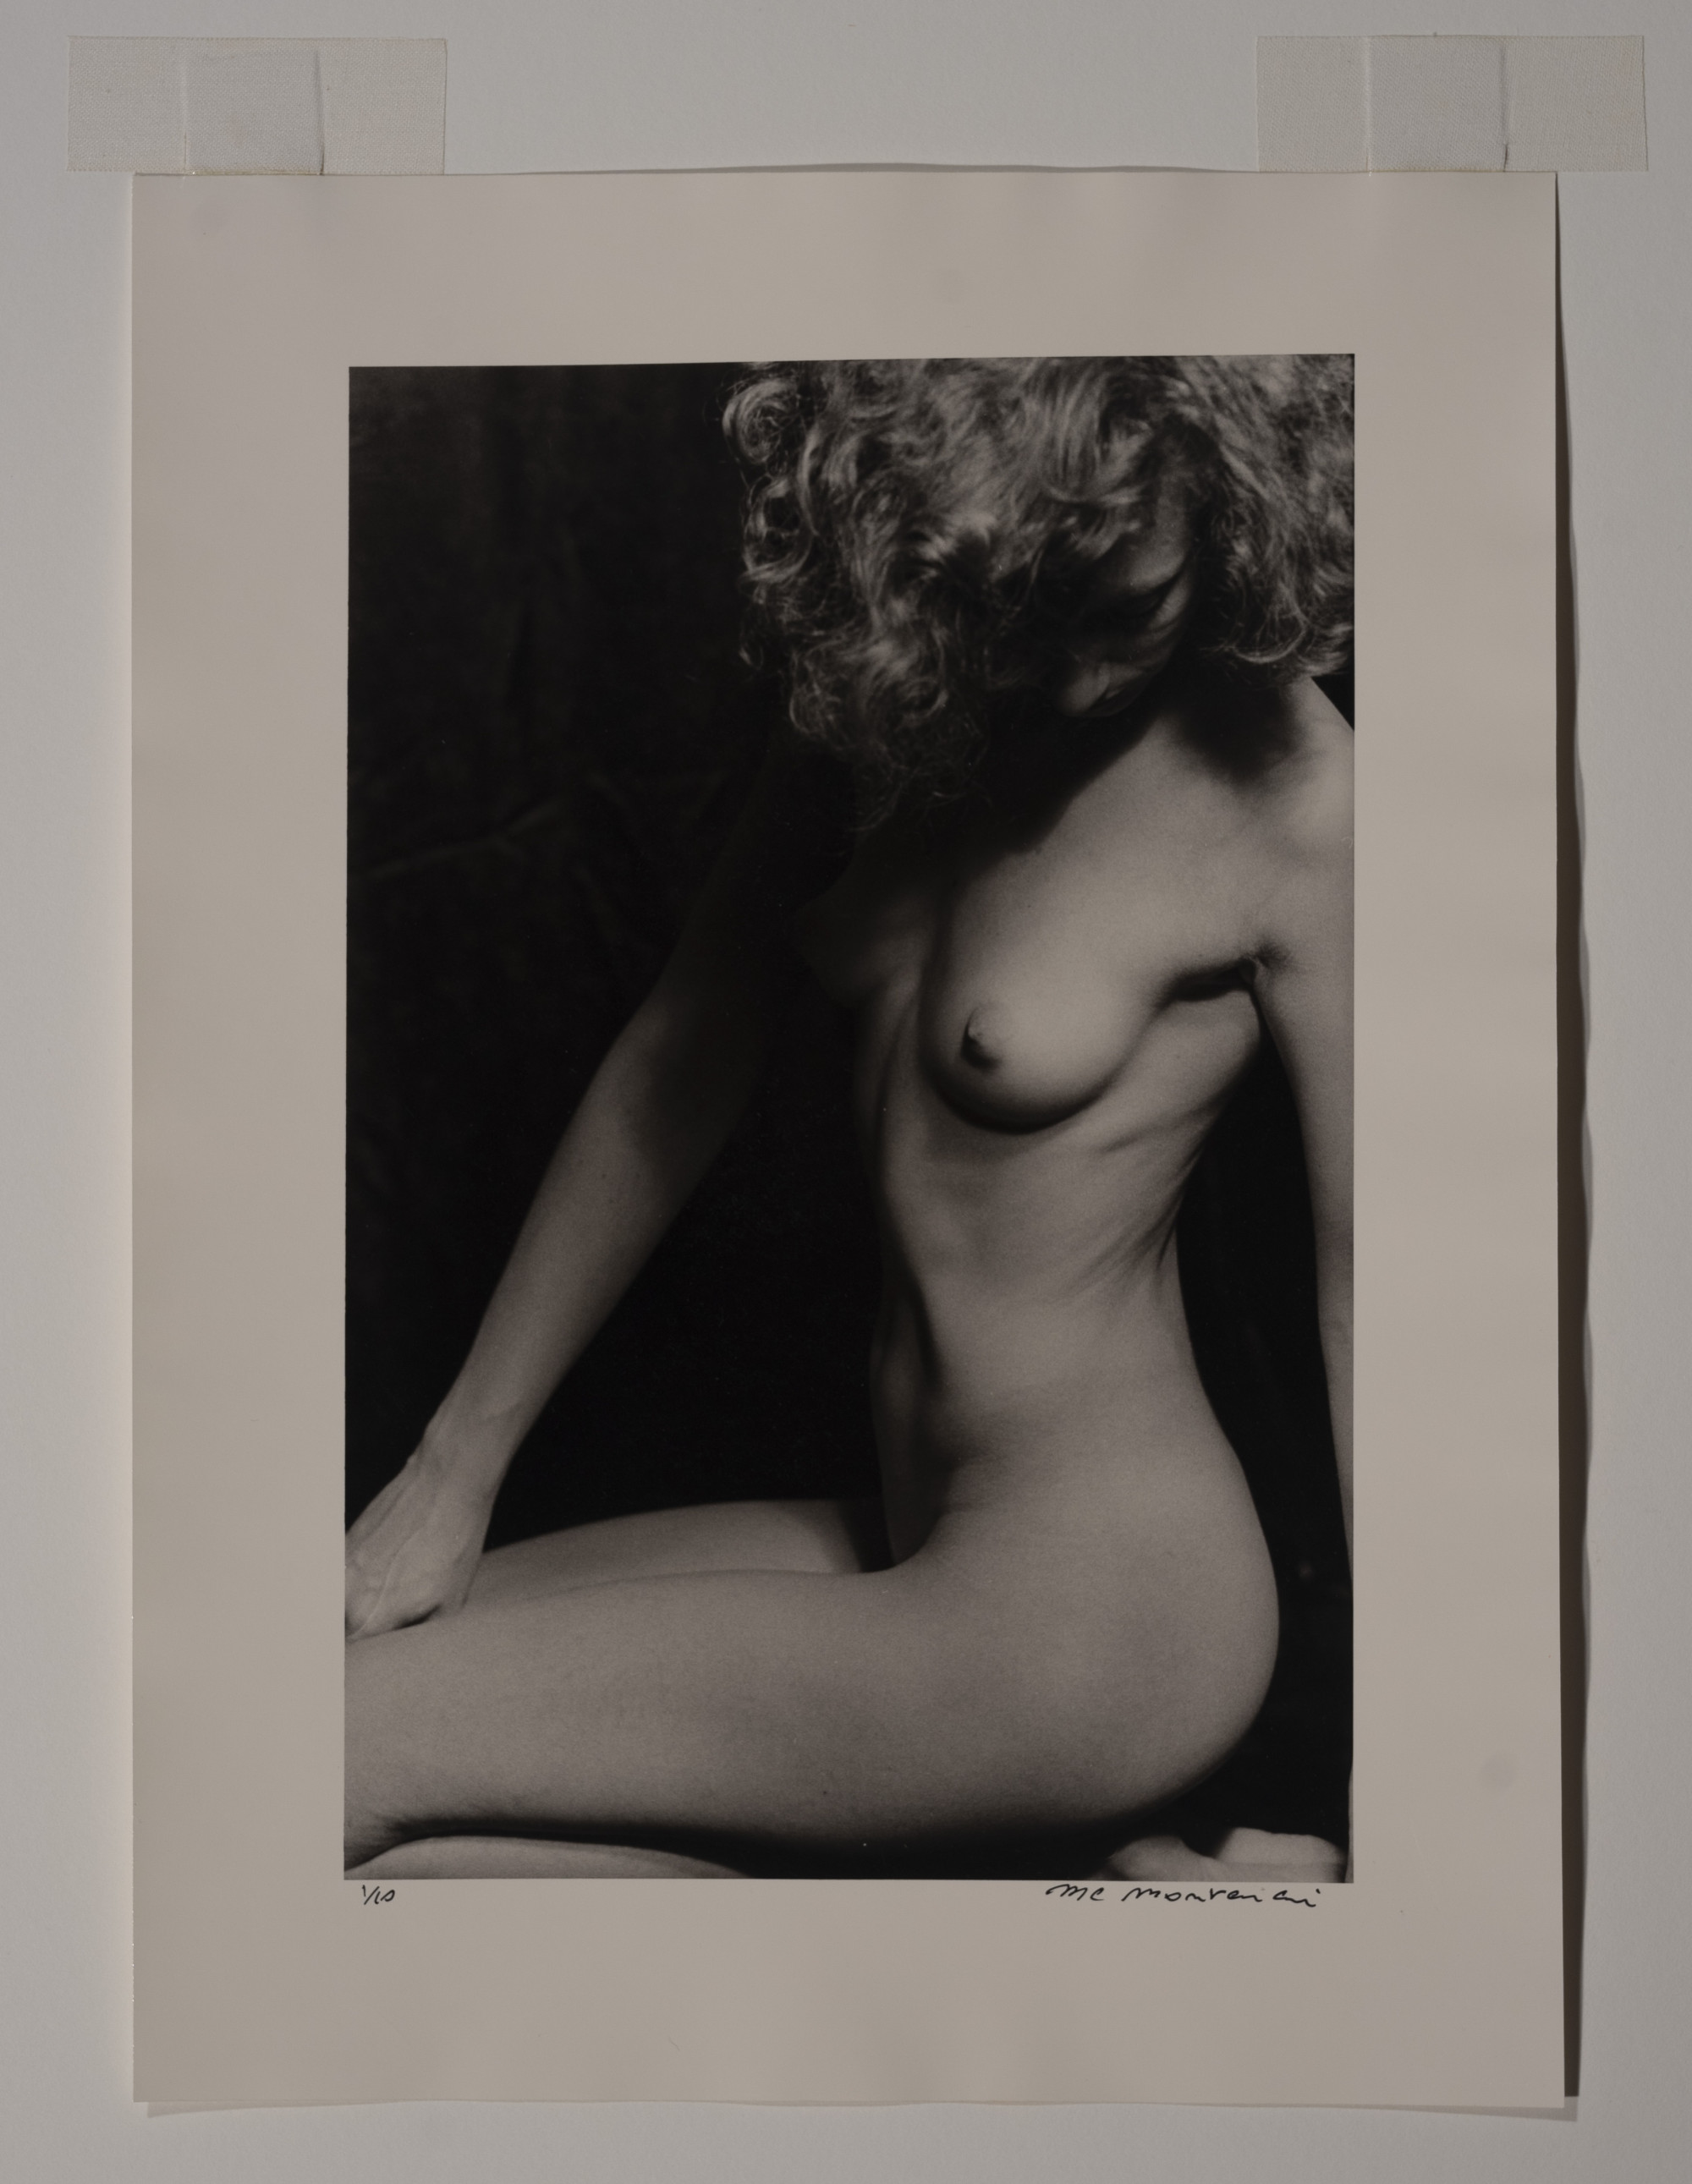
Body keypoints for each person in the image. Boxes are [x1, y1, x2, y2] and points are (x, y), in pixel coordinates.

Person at [344, 355, 1354, 1881]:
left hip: (1101, 1607)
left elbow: (1376, 1297)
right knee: (309, 1692)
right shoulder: (913, 690)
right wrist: (448, 1473)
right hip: (901, 1528)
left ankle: (1094, 1895)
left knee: (339, 1762)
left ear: (1230, 500)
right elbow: (685, 1049)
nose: (1074, 681)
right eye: (1030, 610)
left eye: (1129, 607)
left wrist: (1417, 1789)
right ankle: (1083, 1890)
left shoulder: (1296, 800)